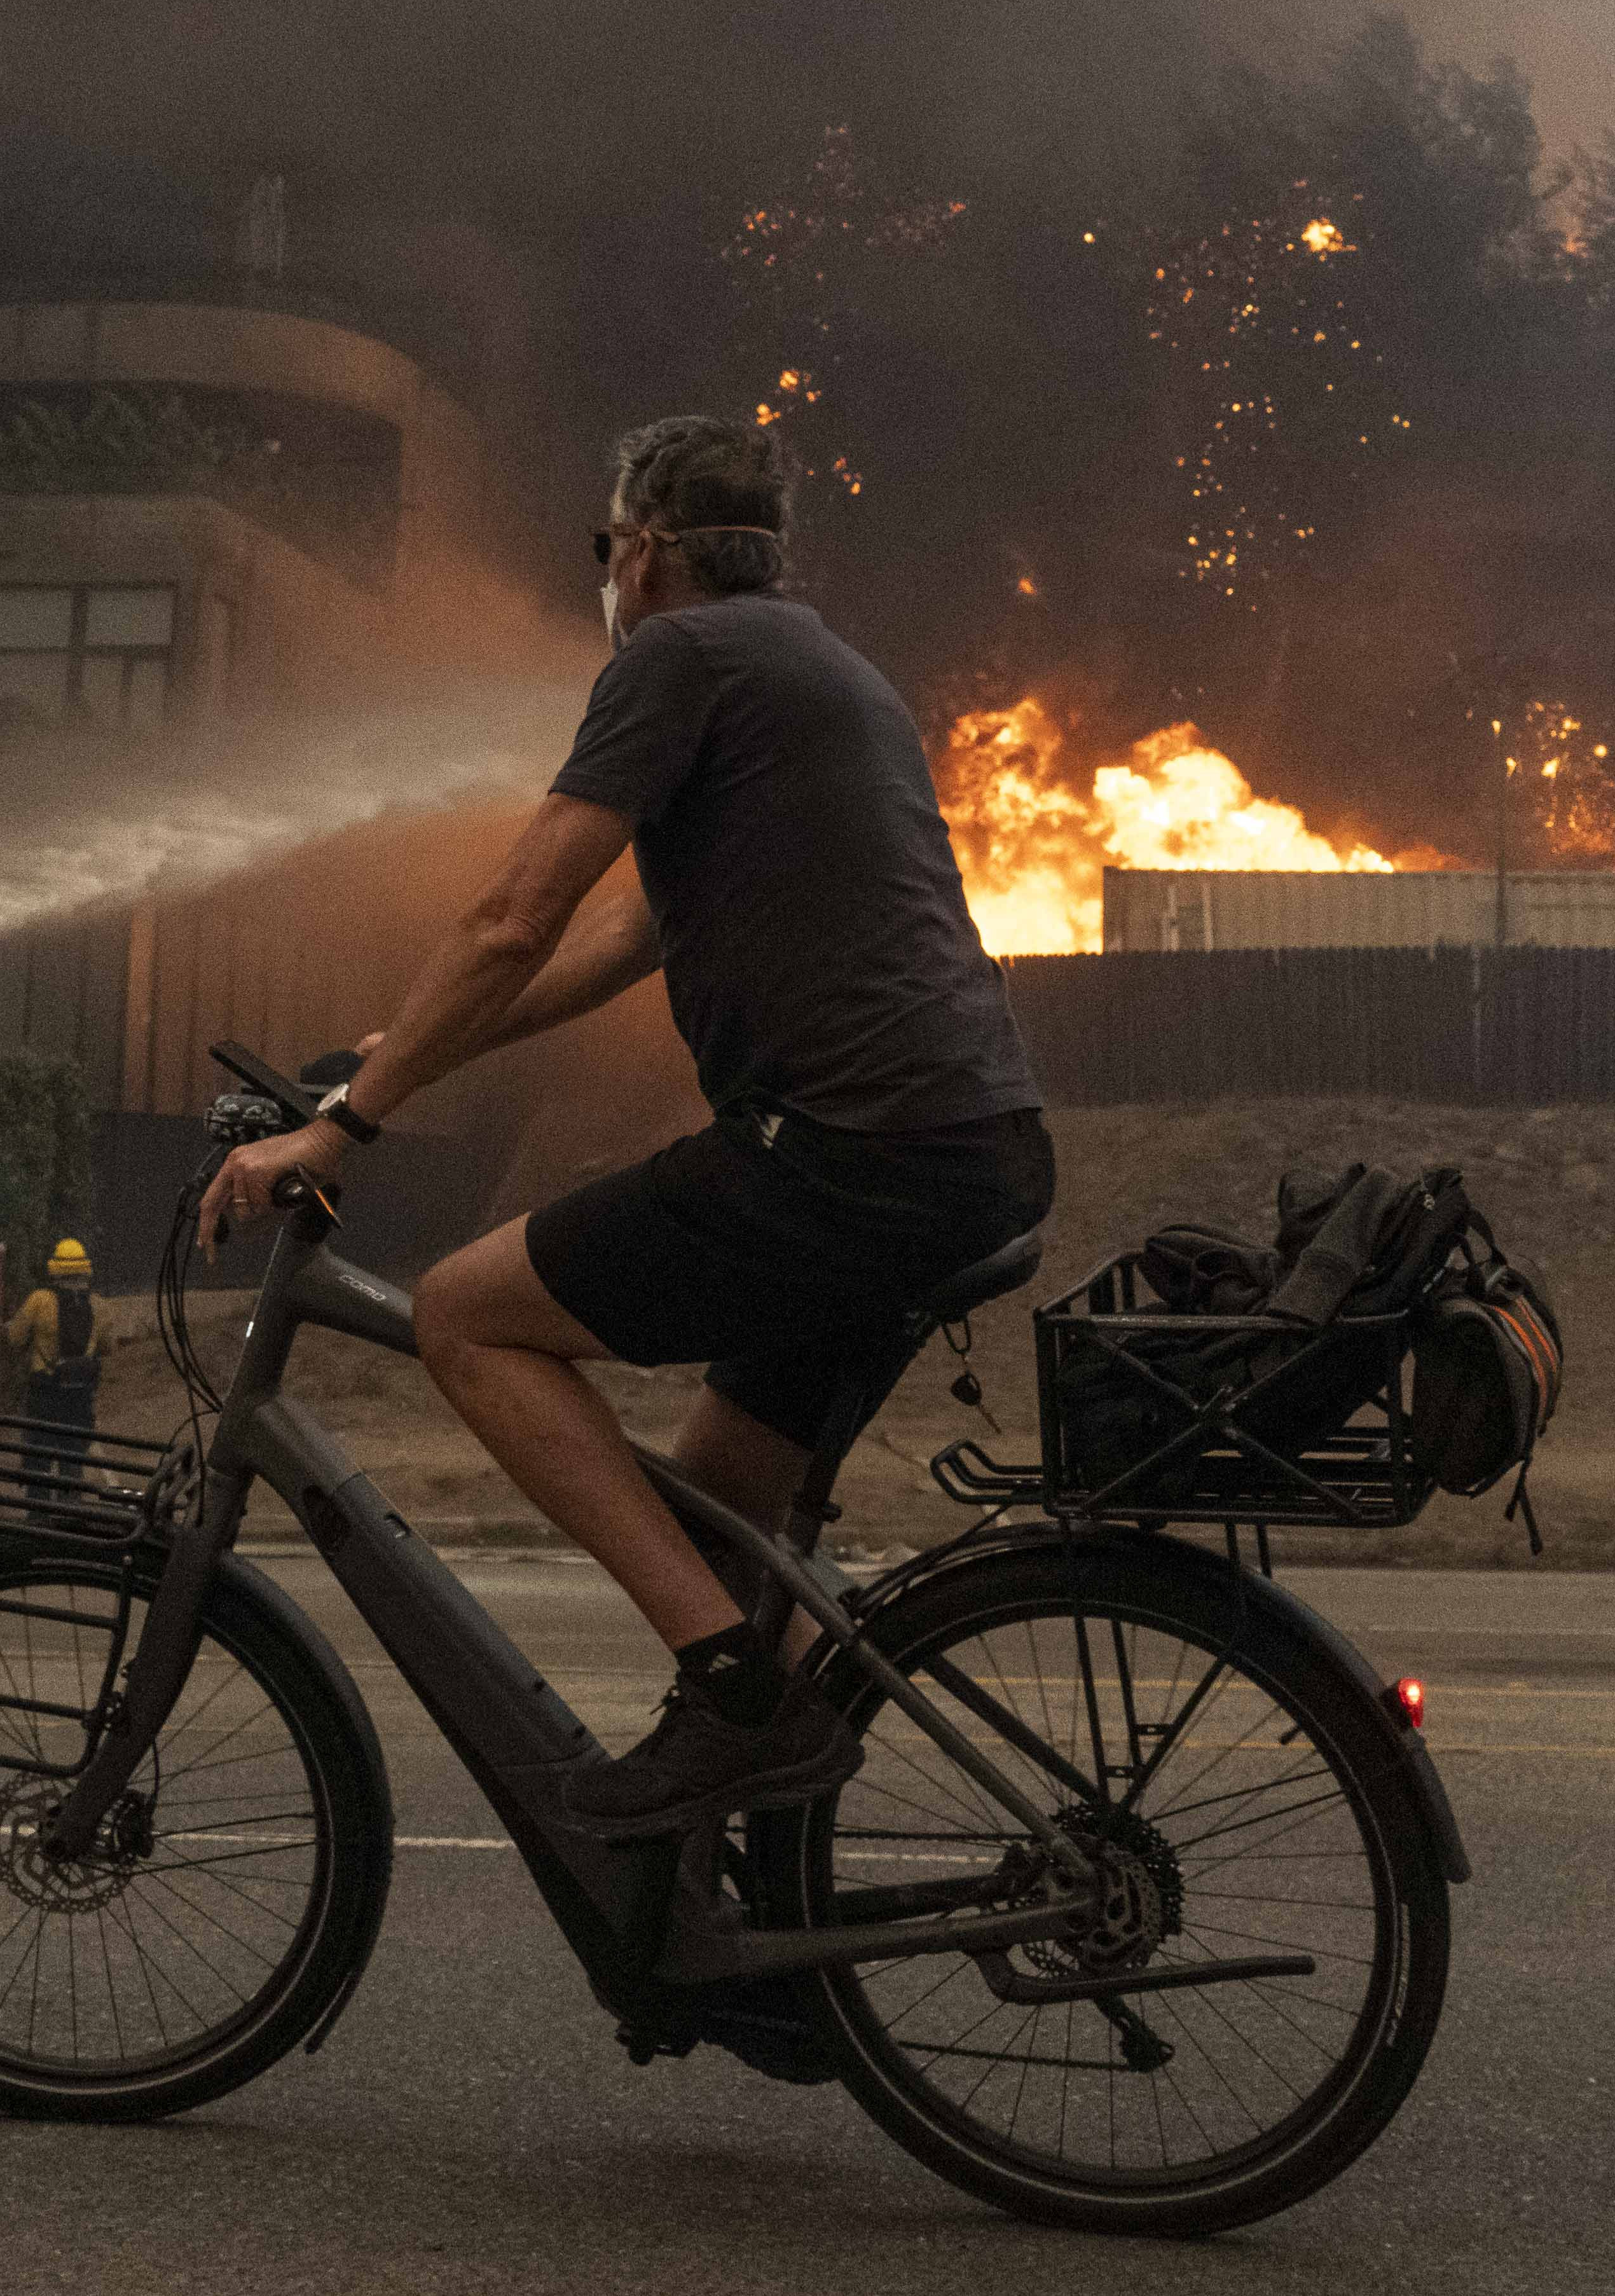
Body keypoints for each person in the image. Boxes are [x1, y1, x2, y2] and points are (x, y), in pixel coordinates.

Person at [200, 416, 1049, 1838]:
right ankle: (769, 1899)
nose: (609, 580)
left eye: (607, 551)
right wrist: (409, 1056)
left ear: (643, 552)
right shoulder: (819, 668)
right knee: (723, 1505)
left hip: (849, 1152)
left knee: (467, 1315)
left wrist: (343, 1127)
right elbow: (617, 936)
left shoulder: (679, 657)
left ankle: (733, 1700)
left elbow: (511, 913)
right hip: (962, 1153)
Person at [7, 1237, 103, 1430]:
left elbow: (15, 1338)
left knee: (38, 1456)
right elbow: (108, 1345)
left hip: (44, 1395)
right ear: (86, 1268)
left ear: (54, 1268)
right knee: (73, 1456)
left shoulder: (39, 1301)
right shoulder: (97, 1304)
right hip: (81, 1398)